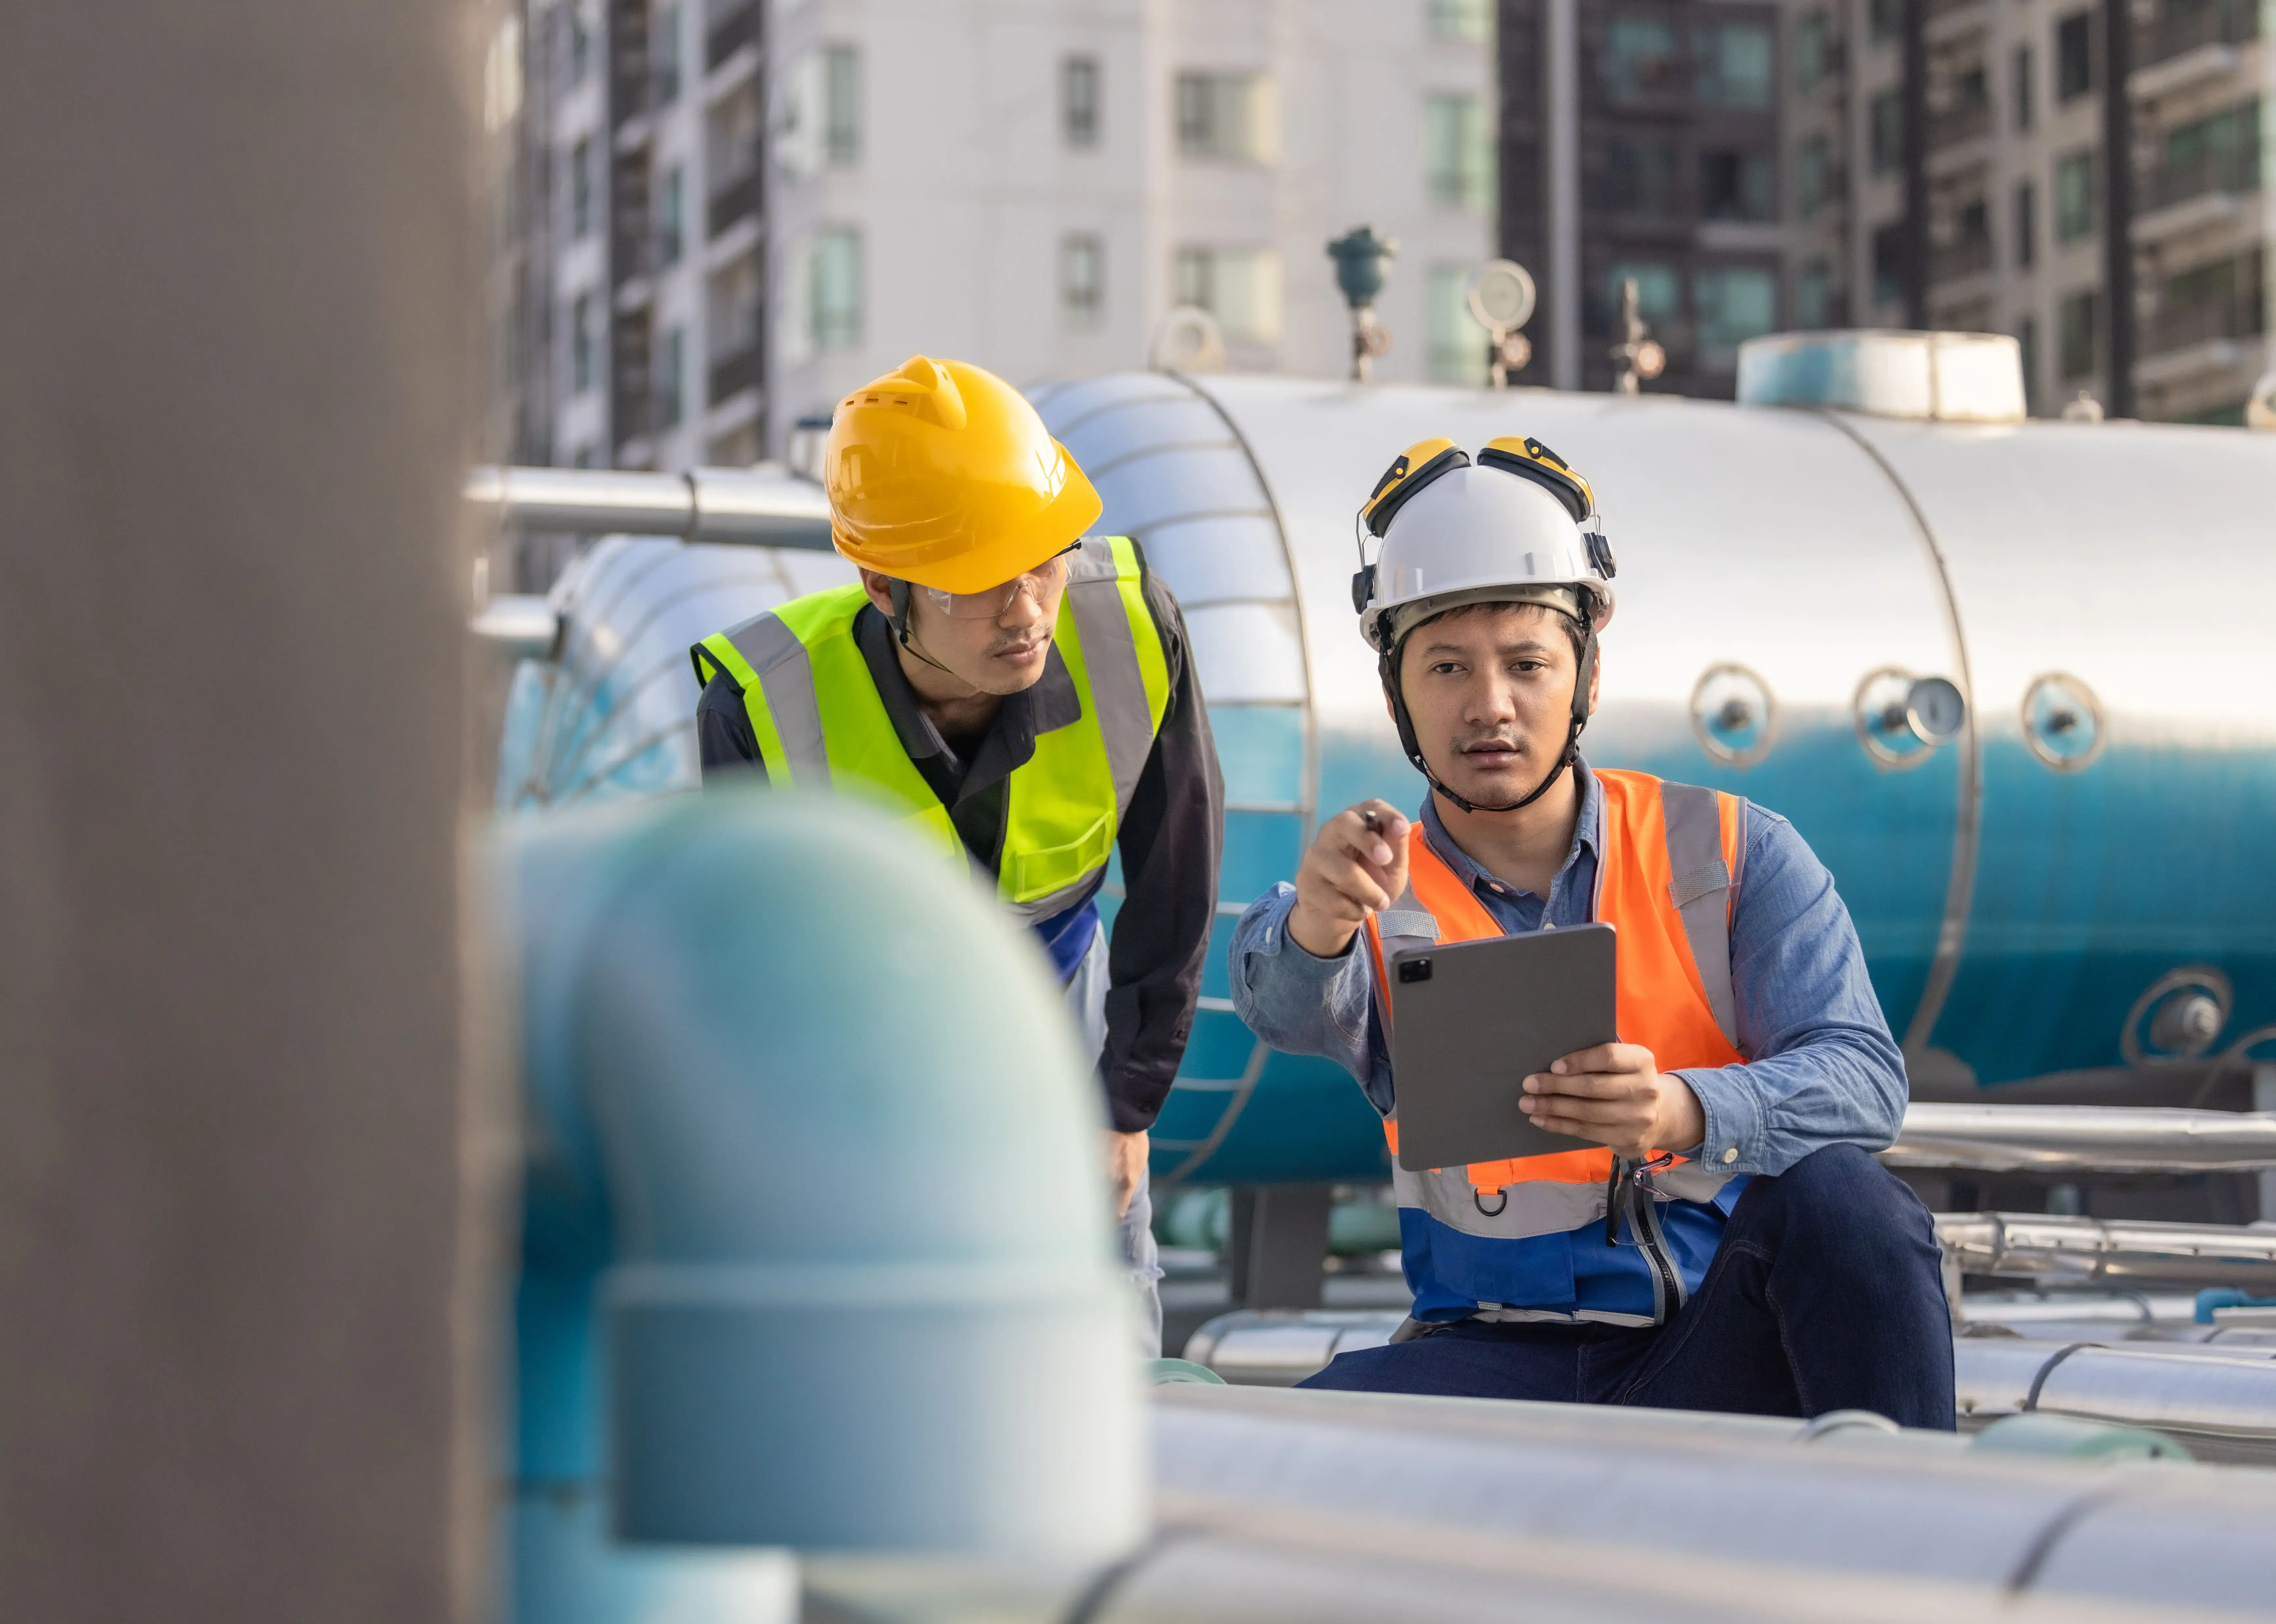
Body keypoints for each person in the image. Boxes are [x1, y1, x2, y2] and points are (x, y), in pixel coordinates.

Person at [1227, 434, 1953, 1425]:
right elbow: (1279, 1001)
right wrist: (1314, 919)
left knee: (1849, 1205)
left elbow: (1865, 1081)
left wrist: (1680, 1109)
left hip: (1713, 1347)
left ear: (1587, 676)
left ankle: (1915, 1542)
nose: (1490, 704)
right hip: (1485, 1357)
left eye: (1527, 662)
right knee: (1270, 1452)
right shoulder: (1370, 891)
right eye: (1445, 666)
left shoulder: (1732, 850)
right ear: (1397, 690)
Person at [691, 355, 1223, 1353]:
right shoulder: (758, 711)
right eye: (977, 581)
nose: (1026, 607)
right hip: (869, 1035)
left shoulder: (1129, 627)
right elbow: (760, 977)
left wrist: (1123, 1106)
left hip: (1065, 989)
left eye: (1043, 557)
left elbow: (1174, 875)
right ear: (880, 585)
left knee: (1102, 1321)